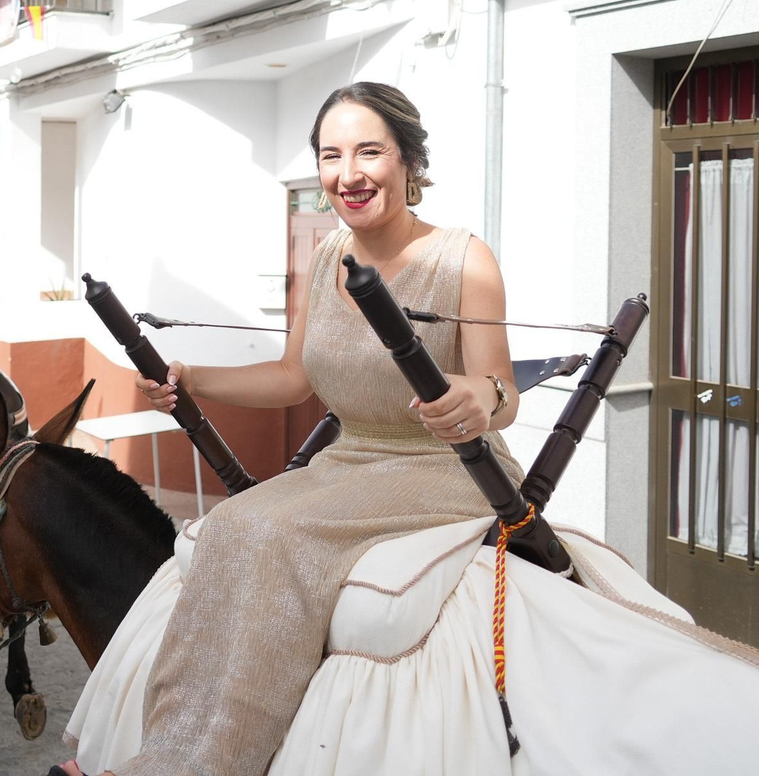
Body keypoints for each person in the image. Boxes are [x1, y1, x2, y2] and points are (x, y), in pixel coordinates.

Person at [84, 82, 523, 776]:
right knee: (230, 524)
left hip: (445, 468)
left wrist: (479, 394)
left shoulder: (465, 259)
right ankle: (164, 749)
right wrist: (193, 376)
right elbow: (294, 377)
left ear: (409, 159)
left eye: (369, 151)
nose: (348, 173)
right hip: (351, 462)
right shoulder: (325, 258)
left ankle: (203, 766)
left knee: (276, 532)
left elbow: (503, 394)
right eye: (331, 155)